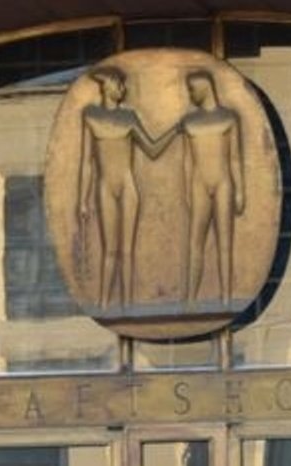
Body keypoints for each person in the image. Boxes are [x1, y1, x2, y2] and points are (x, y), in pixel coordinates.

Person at [77, 65, 173, 308]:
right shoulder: (91, 116)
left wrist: (175, 130)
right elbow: (86, 162)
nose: (123, 88)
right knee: (110, 250)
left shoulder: (129, 118)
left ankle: (129, 305)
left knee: (128, 250)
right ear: (107, 87)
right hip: (105, 187)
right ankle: (104, 304)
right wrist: (82, 200)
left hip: (128, 186)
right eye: (118, 83)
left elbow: (152, 149)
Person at [178, 69, 245, 302]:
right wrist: (187, 190)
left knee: (225, 242)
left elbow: (235, 157)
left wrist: (241, 190)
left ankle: (226, 296)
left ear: (204, 88)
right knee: (195, 242)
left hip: (223, 182)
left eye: (192, 89)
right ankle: (190, 298)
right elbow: (186, 161)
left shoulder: (229, 118)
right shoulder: (189, 122)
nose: (190, 94)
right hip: (199, 184)